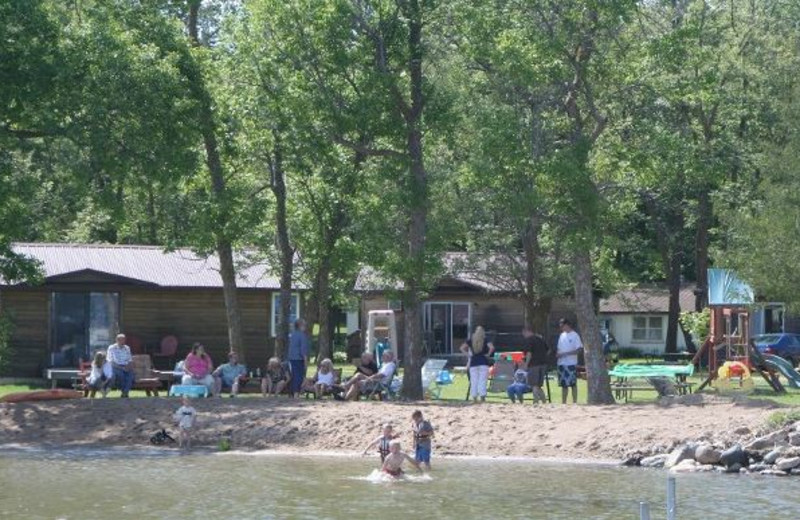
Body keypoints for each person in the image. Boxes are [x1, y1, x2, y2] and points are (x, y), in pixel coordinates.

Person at [459, 326, 495, 402]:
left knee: (474, 380)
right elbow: (492, 347)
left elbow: (461, 348)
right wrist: (488, 354)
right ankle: (482, 396)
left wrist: (468, 355)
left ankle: (474, 397)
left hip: (473, 362)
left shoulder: (471, 340)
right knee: (482, 380)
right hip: (483, 361)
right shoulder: (485, 339)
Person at [556, 318, 583, 404]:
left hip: (571, 363)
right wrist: (558, 354)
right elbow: (559, 348)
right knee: (564, 385)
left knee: (573, 384)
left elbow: (579, 349)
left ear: (567, 325)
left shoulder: (575, 335)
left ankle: (574, 402)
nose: (561, 328)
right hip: (561, 363)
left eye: (562, 326)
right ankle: (564, 402)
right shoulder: (561, 335)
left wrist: (566, 354)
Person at [522, 326, 550, 404]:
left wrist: (526, 364)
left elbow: (529, 353)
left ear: (526, 331)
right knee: (538, 385)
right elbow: (548, 350)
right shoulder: (541, 339)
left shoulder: (529, 340)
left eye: (523, 333)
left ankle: (535, 401)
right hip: (543, 364)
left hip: (534, 364)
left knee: (534, 384)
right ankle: (544, 401)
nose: (523, 335)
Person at [107, 333, 135, 398]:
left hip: (126, 366)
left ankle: (125, 393)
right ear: (117, 340)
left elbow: (130, 360)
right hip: (116, 366)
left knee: (130, 376)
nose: (123, 341)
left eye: (124, 340)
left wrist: (128, 366)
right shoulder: (112, 348)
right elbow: (110, 361)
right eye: (121, 340)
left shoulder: (127, 348)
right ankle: (125, 393)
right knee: (121, 375)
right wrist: (121, 368)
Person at [287, 319, 310, 398]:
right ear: (300, 326)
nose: (305, 327)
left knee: (293, 375)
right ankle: (296, 393)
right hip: (298, 358)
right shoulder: (302, 335)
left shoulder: (292, 335)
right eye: (304, 325)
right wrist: (305, 360)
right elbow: (303, 349)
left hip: (291, 358)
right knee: (298, 376)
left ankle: (292, 393)